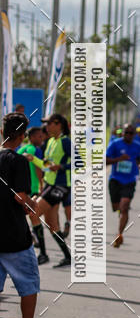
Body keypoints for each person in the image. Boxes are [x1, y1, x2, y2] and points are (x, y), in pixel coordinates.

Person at [0, 113, 47, 318]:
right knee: (28, 283)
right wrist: (33, 204)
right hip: (14, 234)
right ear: (21, 137)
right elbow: (21, 197)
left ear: (2, 132)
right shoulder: (18, 161)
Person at [36, 113, 72, 268]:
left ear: (59, 125)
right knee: (52, 225)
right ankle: (68, 257)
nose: (47, 126)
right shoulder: (50, 141)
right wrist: (32, 159)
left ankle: (43, 254)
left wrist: (62, 167)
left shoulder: (65, 142)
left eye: (49, 123)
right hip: (50, 184)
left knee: (33, 212)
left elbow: (80, 162)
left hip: (61, 185)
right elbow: (45, 165)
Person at [106, 123, 140, 248]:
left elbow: (139, 159)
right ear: (122, 133)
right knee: (116, 206)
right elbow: (105, 160)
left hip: (129, 180)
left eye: (131, 133)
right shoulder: (115, 144)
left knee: (125, 206)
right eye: (126, 132)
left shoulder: (137, 146)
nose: (128, 135)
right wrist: (119, 159)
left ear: (134, 135)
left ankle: (119, 234)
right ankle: (120, 212)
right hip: (115, 179)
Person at [18, 126, 48, 264]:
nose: (41, 139)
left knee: (26, 217)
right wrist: (42, 184)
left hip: (22, 188)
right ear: (32, 137)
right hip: (33, 188)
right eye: (39, 137)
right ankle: (41, 251)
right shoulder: (36, 150)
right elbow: (38, 168)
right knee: (34, 218)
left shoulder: (21, 149)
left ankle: (31, 237)